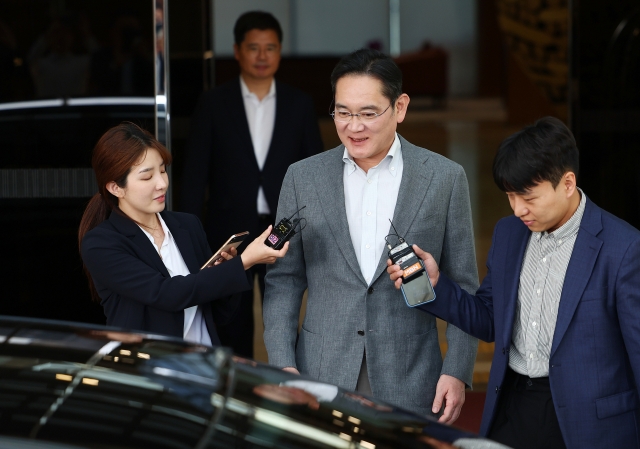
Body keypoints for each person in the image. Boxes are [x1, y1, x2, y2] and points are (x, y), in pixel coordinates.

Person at [387, 116, 640, 449]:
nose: (519, 209)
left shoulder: (623, 248)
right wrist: (434, 283)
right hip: (514, 406)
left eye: (529, 198)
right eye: (510, 196)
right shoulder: (509, 234)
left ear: (567, 183)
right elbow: (490, 320)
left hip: (589, 423)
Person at [262, 49, 478, 422]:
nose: (353, 126)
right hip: (320, 373)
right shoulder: (302, 178)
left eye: (367, 113)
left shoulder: (444, 178)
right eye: (343, 112)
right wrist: (282, 364)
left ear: (400, 107)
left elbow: (463, 282)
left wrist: (457, 369)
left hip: (411, 376)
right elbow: (283, 281)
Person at [180, 11, 323, 358]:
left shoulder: (299, 104)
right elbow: (195, 174)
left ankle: (286, 384)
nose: (262, 56)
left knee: (283, 309)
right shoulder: (214, 103)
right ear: (238, 51)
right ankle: (236, 387)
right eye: (254, 48)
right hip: (232, 233)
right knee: (232, 318)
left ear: (279, 52)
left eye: (270, 48)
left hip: (283, 228)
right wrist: (188, 236)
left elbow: (316, 171)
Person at [79, 123, 288, 346]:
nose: (162, 183)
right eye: (147, 177)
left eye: (162, 170)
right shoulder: (101, 243)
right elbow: (168, 294)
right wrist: (244, 262)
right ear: (115, 188)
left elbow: (219, 314)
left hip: (204, 367)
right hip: (149, 372)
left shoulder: (187, 225)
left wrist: (225, 269)